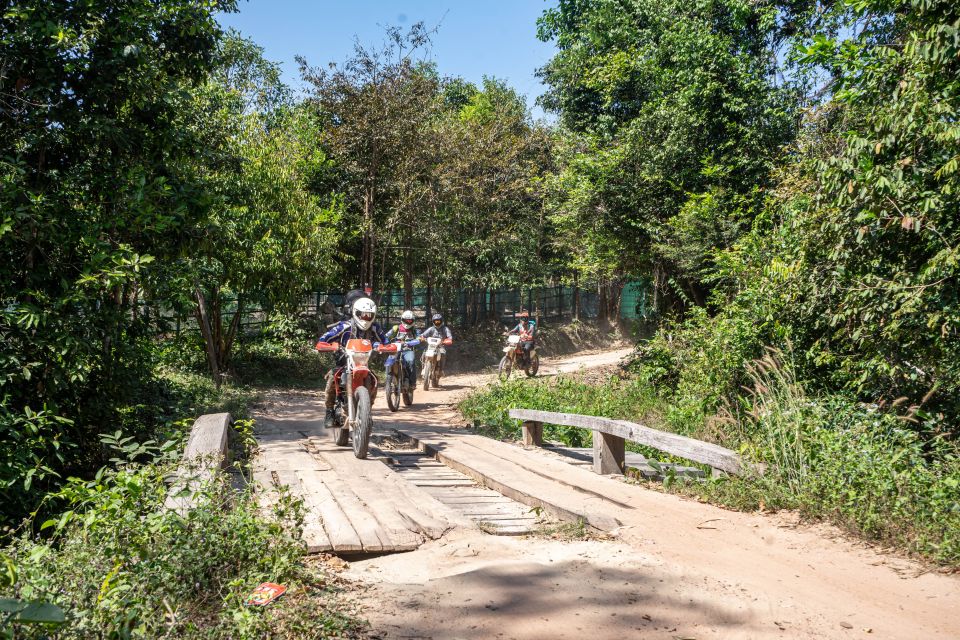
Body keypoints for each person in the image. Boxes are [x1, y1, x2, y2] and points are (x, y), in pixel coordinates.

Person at [316, 297, 388, 428]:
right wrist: (328, 345)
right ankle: (329, 411)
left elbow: (386, 341)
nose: (366, 318)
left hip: (363, 363)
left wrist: (386, 346)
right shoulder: (344, 326)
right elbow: (324, 338)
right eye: (363, 315)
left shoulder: (375, 328)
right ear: (356, 312)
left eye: (369, 316)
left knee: (374, 381)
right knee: (333, 378)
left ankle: (367, 412)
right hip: (344, 362)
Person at [384, 310, 421, 386]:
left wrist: (414, 342)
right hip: (395, 349)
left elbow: (419, 338)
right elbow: (386, 336)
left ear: (413, 321)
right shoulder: (396, 328)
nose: (408, 322)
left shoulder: (414, 330)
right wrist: (386, 343)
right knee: (389, 361)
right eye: (406, 320)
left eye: (410, 320)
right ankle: (387, 379)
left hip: (407, 350)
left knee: (411, 361)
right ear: (402, 320)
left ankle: (412, 383)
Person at [418, 313, 454, 379]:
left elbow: (449, 337)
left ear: (441, 321)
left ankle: (441, 370)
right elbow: (423, 335)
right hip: (431, 346)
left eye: (438, 321)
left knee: (443, 353)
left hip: (440, 346)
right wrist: (421, 337)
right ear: (433, 321)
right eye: (435, 321)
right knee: (424, 354)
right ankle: (423, 368)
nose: (437, 322)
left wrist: (448, 340)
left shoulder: (445, 329)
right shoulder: (431, 329)